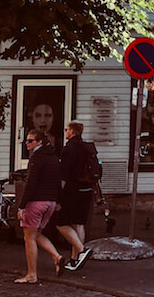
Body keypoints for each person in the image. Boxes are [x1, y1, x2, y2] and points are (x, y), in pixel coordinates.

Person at [14, 129, 66, 283]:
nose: (27, 143)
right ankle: (57, 256)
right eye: (26, 140)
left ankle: (31, 275)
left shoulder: (36, 158)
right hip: (49, 203)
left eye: (30, 141)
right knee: (37, 234)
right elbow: (58, 182)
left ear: (39, 142)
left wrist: (21, 206)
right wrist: (58, 201)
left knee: (29, 237)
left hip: (36, 202)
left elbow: (31, 183)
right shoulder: (54, 158)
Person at [58, 121, 94, 272]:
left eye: (66, 129)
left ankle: (81, 250)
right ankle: (75, 259)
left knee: (61, 222)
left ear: (72, 131)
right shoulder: (87, 148)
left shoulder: (68, 149)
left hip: (72, 190)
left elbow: (64, 173)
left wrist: (58, 194)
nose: (65, 131)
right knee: (79, 223)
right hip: (87, 189)